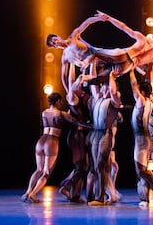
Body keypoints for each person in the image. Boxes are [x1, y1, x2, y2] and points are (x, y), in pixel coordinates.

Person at [21, 92, 91, 203]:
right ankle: (33, 194)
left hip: (41, 141)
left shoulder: (44, 112)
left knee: (38, 169)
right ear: (58, 101)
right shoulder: (61, 113)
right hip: (51, 141)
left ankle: (28, 191)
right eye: (60, 101)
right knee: (46, 172)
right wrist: (90, 126)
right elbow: (76, 122)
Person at [92, 10, 153, 94]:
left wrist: (108, 18)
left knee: (94, 54)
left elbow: (124, 27)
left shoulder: (145, 40)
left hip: (125, 55)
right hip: (129, 66)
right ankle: (88, 80)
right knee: (101, 78)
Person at [129, 71, 153, 206]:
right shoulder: (150, 104)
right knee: (141, 171)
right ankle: (144, 198)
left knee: (141, 170)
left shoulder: (141, 101)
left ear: (142, 92)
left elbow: (133, 84)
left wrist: (130, 71)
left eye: (139, 91)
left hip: (141, 139)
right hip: (144, 138)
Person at [85, 67, 122, 206]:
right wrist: (92, 64)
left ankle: (100, 198)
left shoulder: (114, 101)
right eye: (103, 87)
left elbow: (113, 91)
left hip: (106, 134)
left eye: (106, 87)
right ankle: (99, 196)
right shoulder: (99, 99)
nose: (103, 89)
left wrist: (112, 77)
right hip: (96, 133)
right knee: (96, 166)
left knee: (101, 164)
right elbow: (93, 84)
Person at [58, 67, 92, 203]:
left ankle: (75, 194)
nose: (81, 88)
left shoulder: (80, 96)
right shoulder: (72, 97)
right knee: (81, 165)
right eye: (78, 86)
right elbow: (68, 79)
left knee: (84, 165)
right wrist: (71, 63)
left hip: (80, 134)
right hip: (76, 135)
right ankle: (66, 186)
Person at [46, 14, 102, 92]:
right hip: (90, 67)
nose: (56, 42)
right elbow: (64, 76)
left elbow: (86, 23)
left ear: (58, 37)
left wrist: (99, 18)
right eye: (54, 44)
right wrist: (68, 91)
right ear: (55, 47)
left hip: (96, 55)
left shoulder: (73, 37)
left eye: (55, 39)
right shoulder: (65, 56)